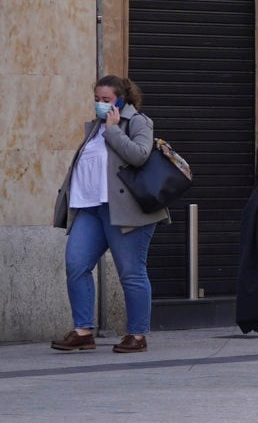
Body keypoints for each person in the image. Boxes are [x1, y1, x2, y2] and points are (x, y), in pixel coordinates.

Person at [51, 75, 169, 354]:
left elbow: (140, 155)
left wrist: (114, 130)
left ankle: (137, 335)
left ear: (121, 99)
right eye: (96, 100)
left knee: (132, 272)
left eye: (106, 100)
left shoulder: (137, 121)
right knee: (76, 264)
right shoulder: (95, 127)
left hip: (125, 211)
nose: (100, 105)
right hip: (90, 208)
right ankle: (83, 331)